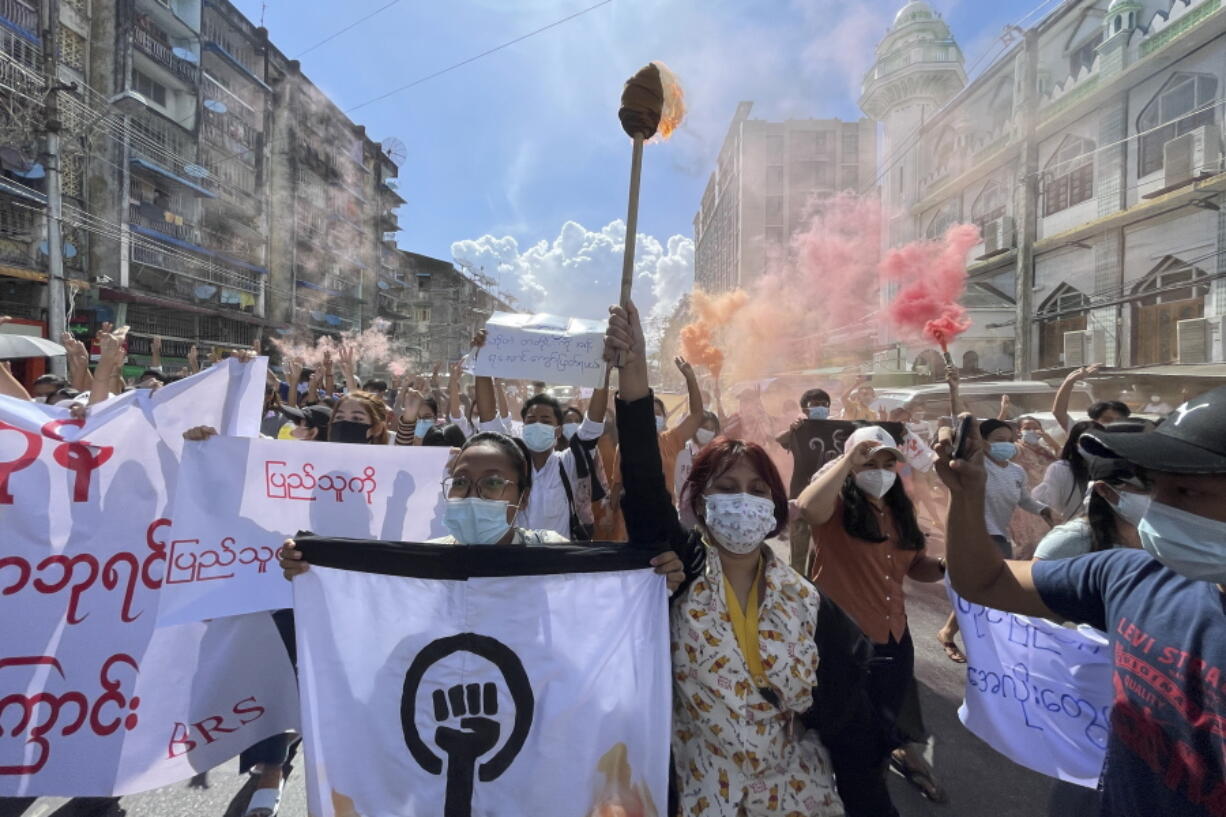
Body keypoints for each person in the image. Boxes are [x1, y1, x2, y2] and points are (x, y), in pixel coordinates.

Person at [607, 301, 856, 817]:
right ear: (699, 502)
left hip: (797, 791)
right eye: (727, 488)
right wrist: (633, 368)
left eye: (756, 489)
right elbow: (645, 481)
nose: (743, 500)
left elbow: (849, 715)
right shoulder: (678, 571)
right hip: (697, 790)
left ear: (774, 505)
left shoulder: (806, 601)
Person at [936, 386, 1226, 817]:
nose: (1159, 511)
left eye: (1184, 493)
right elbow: (985, 580)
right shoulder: (1130, 576)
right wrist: (966, 494)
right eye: (1154, 488)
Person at [798, 423, 948, 813]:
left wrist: (945, 566)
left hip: (895, 640)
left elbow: (915, 565)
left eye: (887, 461)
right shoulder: (836, 506)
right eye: (869, 460)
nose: (879, 469)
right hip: (843, 643)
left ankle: (870, 779)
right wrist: (849, 459)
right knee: (852, 743)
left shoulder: (900, 510)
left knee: (882, 732)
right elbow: (807, 509)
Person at [936, 418, 1053, 663]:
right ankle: (986, 645)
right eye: (999, 440)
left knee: (986, 590)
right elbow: (960, 426)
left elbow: (1025, 500)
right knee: (987, 590)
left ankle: (951, 632)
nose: (1008, 445)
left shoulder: (1016, 471)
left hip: (1000, 536)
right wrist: (955, 403)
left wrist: (1044, 510)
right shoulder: (976, 466)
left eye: (1011, 441)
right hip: (973, 534)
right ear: (984, 443)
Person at [472, 342, 609, 539]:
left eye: (545, 421)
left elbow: (593, 424)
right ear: (523, 427)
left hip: (557, 561)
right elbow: (488, 419)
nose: (537, 425)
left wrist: (602, 372)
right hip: (517, 559)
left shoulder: (567, 463)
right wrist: (482, 363)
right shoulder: (511, 462)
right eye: (531, 420)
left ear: (558, 431)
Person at [1010, 414, 1060, 558]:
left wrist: (1051, 442)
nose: (1032, 431)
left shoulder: (1044, 451)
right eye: (1027, 428)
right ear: (1019, 432)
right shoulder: (1016, 449)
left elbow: (1061, 462)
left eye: (1035, 428)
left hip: (1046, 502)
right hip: (1025, 504)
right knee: (1028, 544)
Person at [1031, 420, 1097, 523]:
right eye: (1086, 442)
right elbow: (1053, 505)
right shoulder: (1061, 469)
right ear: (1075, 443)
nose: (1093, 447)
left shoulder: (1113, 468)